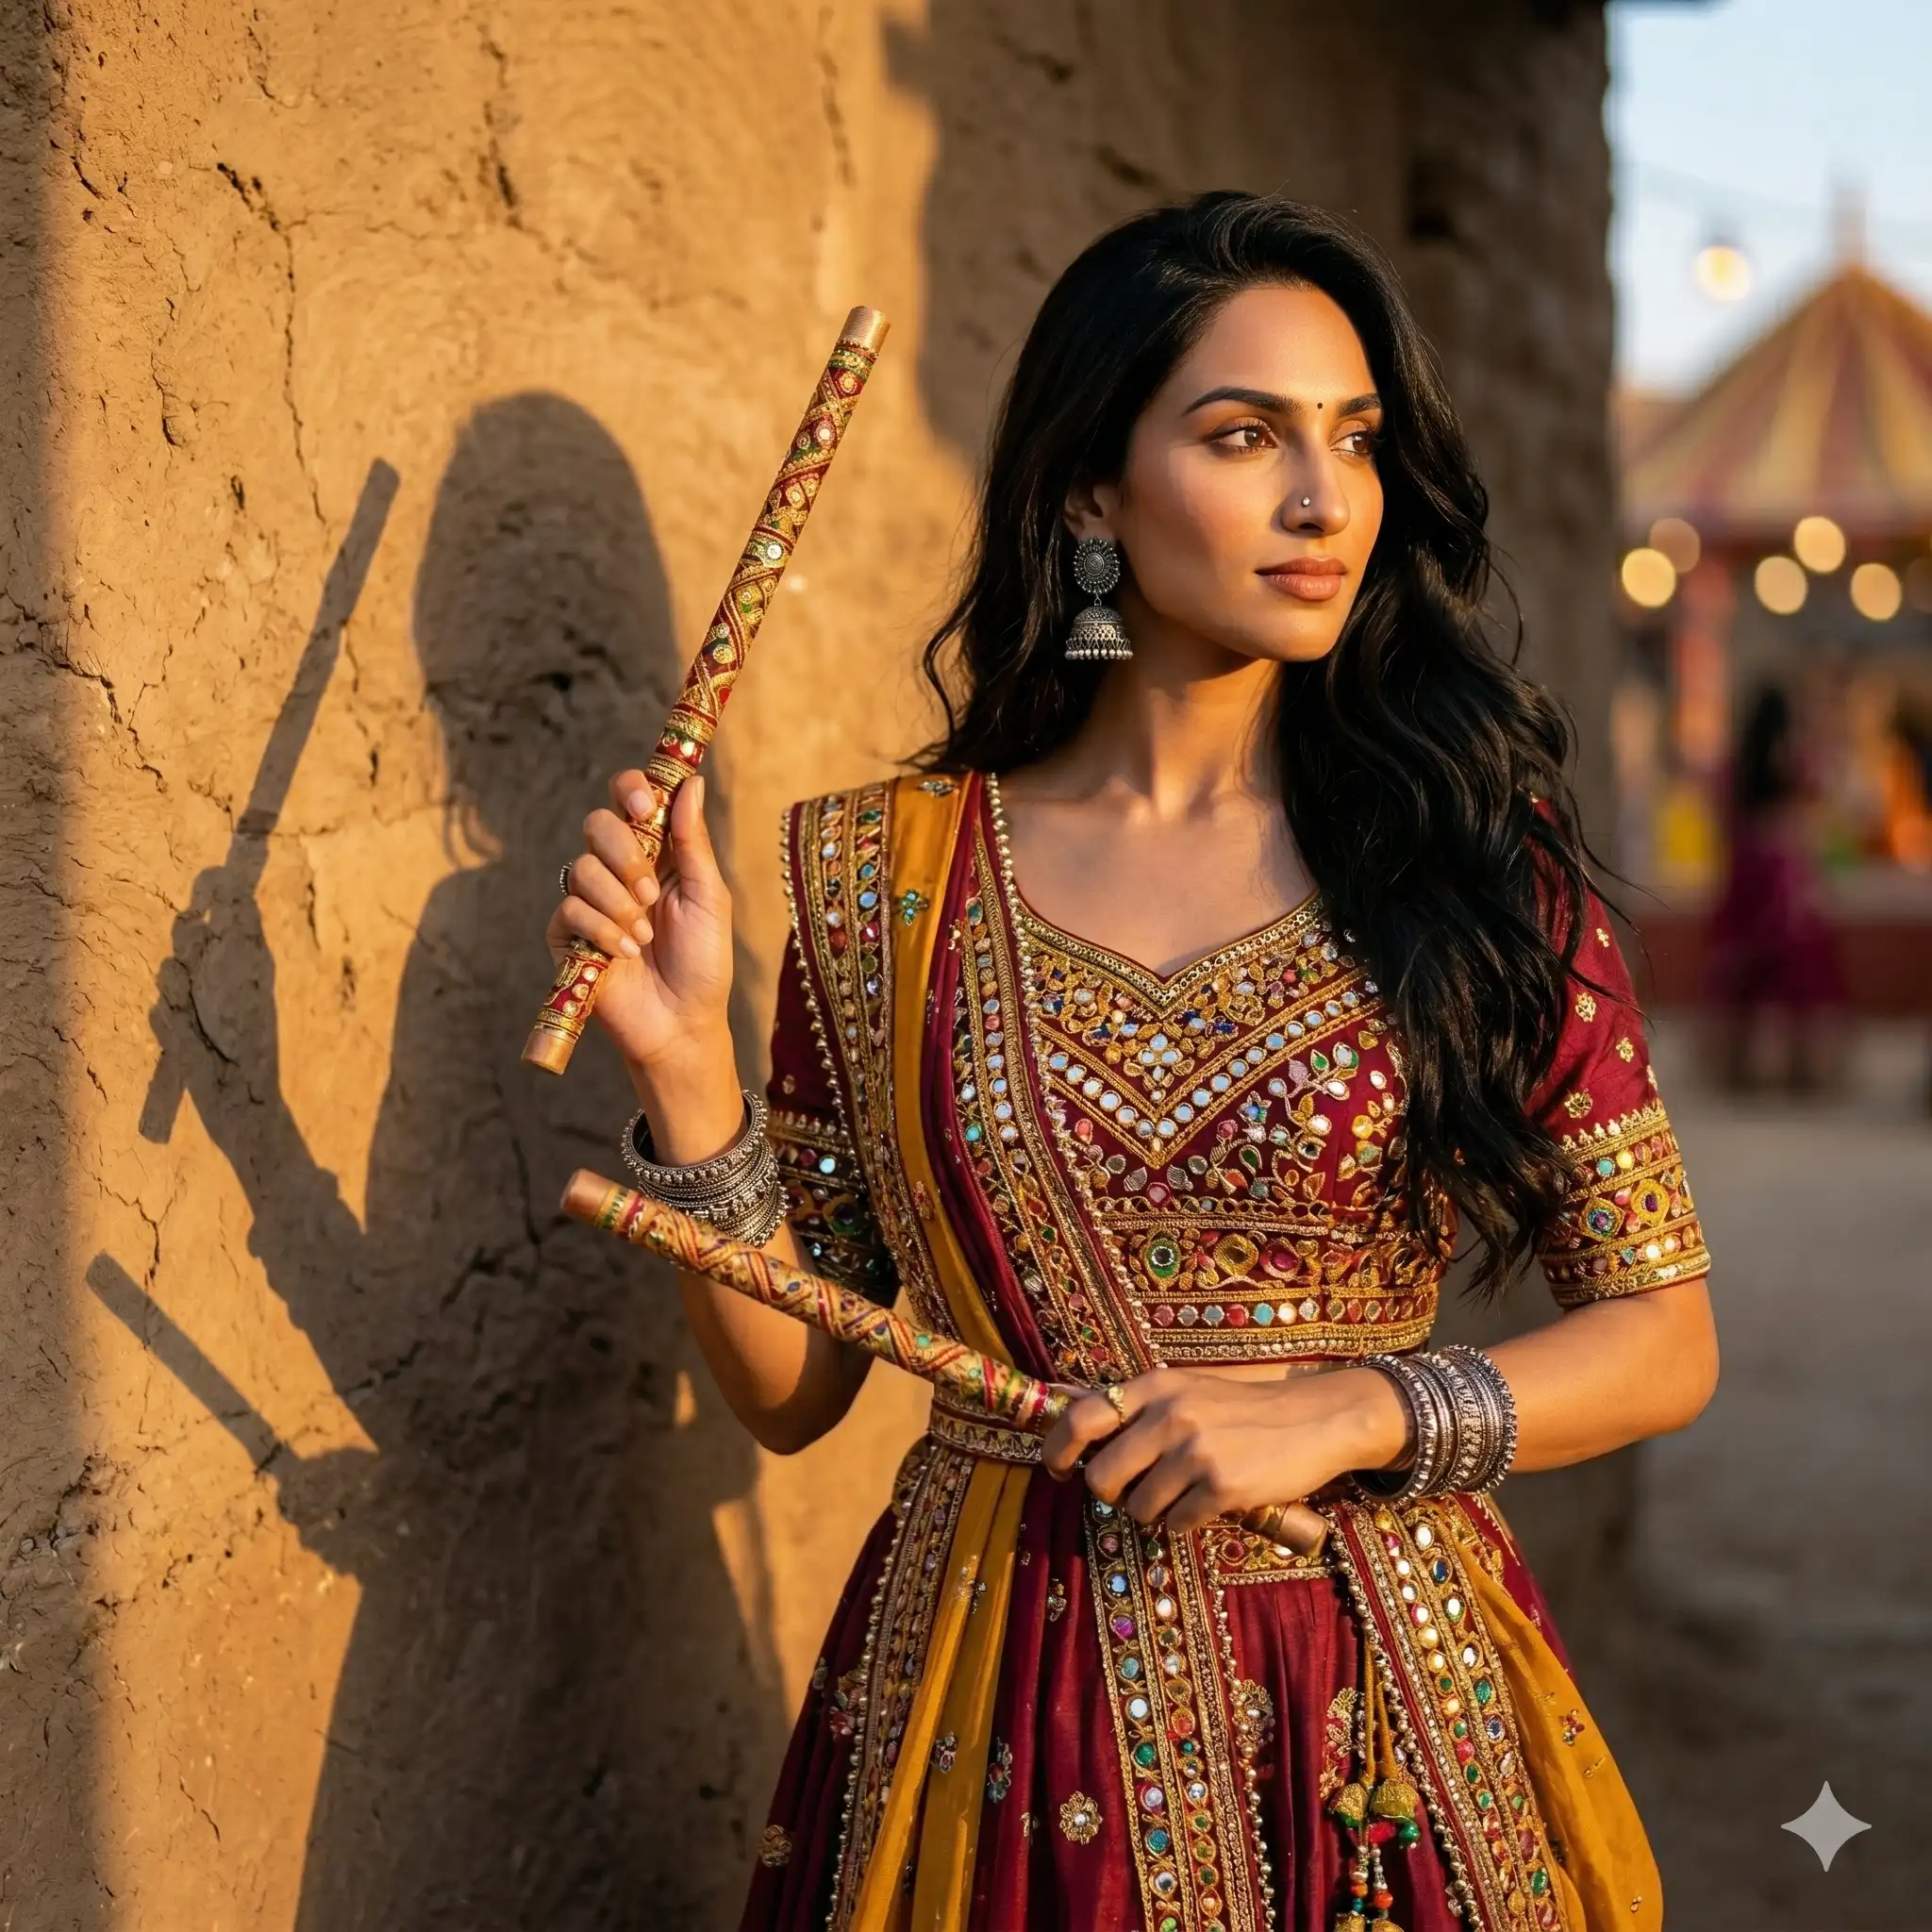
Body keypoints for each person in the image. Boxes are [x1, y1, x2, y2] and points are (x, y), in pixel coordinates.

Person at [549, 194, 1717, 1932]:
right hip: (992, 1702)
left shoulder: (1469, 863)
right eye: (1243, 436)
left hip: (1367, 1699)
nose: (1322, 501)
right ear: (1089, 491)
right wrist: (684, 1073)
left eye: (1353, 440)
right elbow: (793, 1392)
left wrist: (1358, 1404)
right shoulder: (883, 885)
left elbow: (1660, 1340)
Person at [1705, 682, 1845, 1091]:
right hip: (1786, 875)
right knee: (1796, 979)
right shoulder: (1795, 762)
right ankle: (1800, 1070)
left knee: (1747, 977)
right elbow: (1815, 820)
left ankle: (1743, 1070)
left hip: (1746, 871)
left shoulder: (1735, 767)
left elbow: (1721, 824)